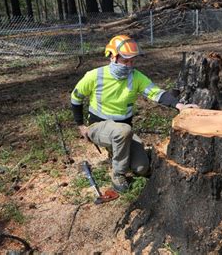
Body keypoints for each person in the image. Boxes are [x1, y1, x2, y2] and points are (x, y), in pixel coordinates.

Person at [71, 35, 197, 192]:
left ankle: (119, 153)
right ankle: (118, 174)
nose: (129, 65)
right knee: (123, 131)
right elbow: (75, 98)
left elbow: (156, 93)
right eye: (126, 61)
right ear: (112, 57)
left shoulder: (136, 77)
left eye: (132, 61)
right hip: (98, 127)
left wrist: (179, 105)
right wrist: (81, 125)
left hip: (123, 131)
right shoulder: (95, 75)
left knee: (142, 168)